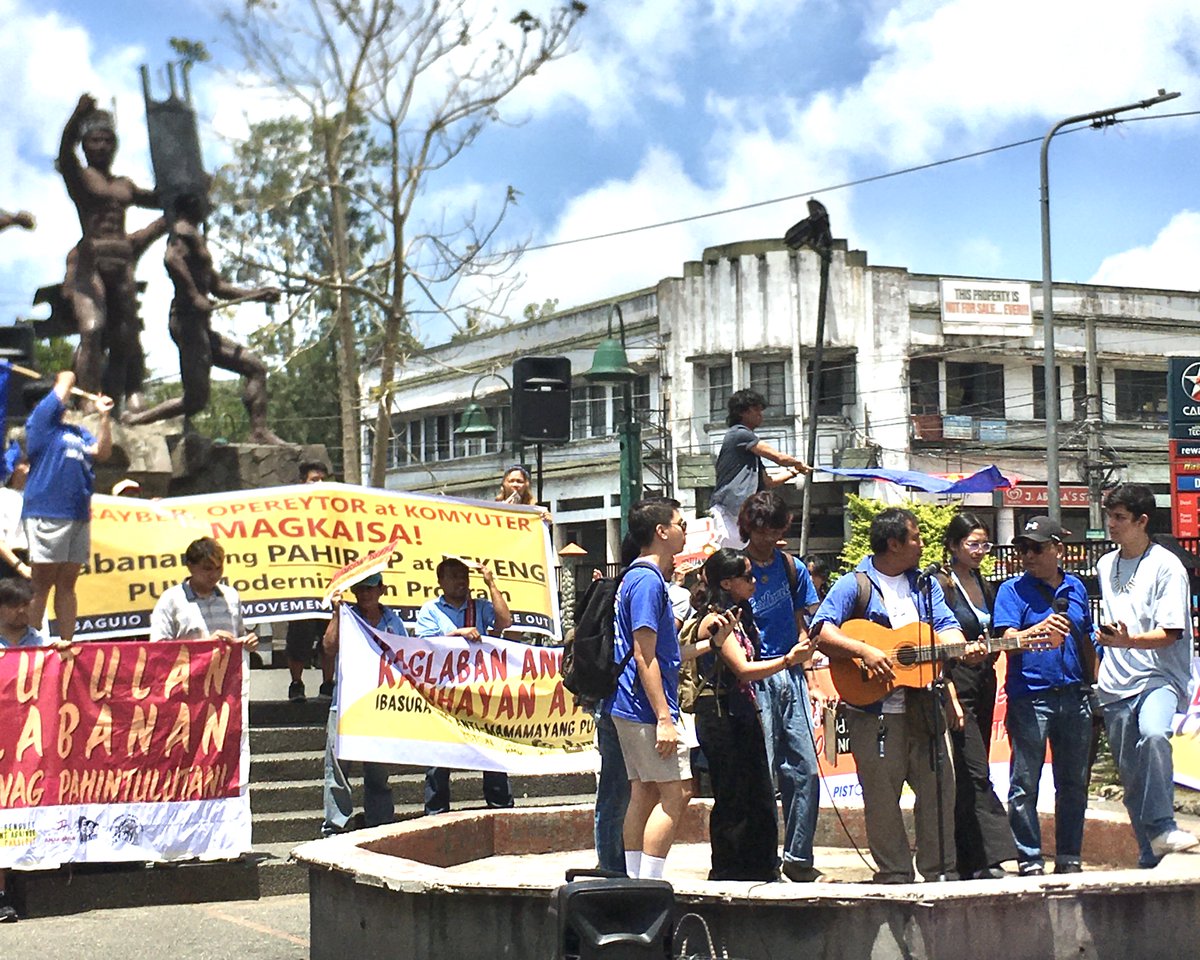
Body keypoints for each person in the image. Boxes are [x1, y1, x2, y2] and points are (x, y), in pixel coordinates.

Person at [811, 507, 966, 883]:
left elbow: (948, 628)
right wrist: (864, 651)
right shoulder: (855, 584)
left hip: (925, 703)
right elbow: (821, 631)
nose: (922, 544)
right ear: (894, 544)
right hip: (874, 710)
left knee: (939, 790)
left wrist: (958, 645)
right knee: (881, 796)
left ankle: (940, 870)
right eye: (915, 537)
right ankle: (895, 871)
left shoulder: (926, 585)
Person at [122, 192, 283, 444]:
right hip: (187, 323)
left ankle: (259, 431)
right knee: (195, 400)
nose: (211, 204)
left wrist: (257, 294)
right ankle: (136, 420)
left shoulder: (195, 236)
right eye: (206, 199)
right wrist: (195, 296)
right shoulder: (181, 231)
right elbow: (171, 260)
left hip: (201, 327)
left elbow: (217, 285)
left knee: (255, 368)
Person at [692, 548, 810, 881]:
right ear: (727, 582)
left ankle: (761, 865)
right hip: (721, 714)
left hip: (743, 711)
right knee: (733, 795)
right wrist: (788, 660)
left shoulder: (741, 614)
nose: (753, 580)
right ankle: (731, 869)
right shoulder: (716, 620)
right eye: (746, 576)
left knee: (758, 789)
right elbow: (742, 669)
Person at [1095, 484, 1198, 865]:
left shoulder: (1167, 566)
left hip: (1158, 678)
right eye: (1110, 516)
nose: (1112, 525)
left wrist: (1127, 641)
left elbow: (1171, 632)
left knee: (1154, 735)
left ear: (1142, 521)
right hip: (1114, 685)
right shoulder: (1106, 564)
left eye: (1120, 518)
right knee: (1132, 778)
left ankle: (1163, 825)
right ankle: (1148, 855)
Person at [993, 516, 1091, 876]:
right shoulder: (1011, 591)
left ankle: (1069, 857)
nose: (1028, 556)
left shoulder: (1077, 588)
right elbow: (1005, 641)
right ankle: (1030, 858)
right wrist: (1035, 631)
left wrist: (1092, 688)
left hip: (1074, 695)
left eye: (1036, 548)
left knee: (1074, 783)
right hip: (1031, 697)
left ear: (1058, 550)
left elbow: (1086, 638)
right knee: (1025, 783)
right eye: (1023, 549)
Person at [58, 95, 166, 408]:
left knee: (128, 332)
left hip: (122, 260)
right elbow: (64, 153)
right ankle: (90, 397)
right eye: (95, 140)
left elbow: (161, 198)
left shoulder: (125, 185)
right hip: (92, 259)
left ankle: (133, 392)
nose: (102, 146)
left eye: (107, 140)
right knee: (92, 330)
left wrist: (187, 187)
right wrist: (77, 117)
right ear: (85, 144)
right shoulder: (81, 178)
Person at [737, 491, 822, 882]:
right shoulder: (737, 568)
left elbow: (804, 616)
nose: (769, 538)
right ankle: (762, 856)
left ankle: (799, 858)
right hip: (755, 675)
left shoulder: (792, 568)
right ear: (749, 527)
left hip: (792, 674)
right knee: (762, 770)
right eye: (762, 530)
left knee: (805, 768)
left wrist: (808, 668)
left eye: (776, 529)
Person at [605, 497, 691, 880]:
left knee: (645, 791)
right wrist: (664, 718)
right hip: (644, 707)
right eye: (680, 524)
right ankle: (650, 883)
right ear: (661, 532)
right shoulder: (647, 581)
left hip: (630, 703)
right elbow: (645, 655)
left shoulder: (636, 578)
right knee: (677, 793)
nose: (683, 530)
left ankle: (636, 880)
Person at [937, 514, 1017, 879]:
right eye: (973, 544)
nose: (981, 551)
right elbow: (936, 642)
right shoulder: (941, 585)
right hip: (957, 684)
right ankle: (993, 853)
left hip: (984, 681)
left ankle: (970, 858)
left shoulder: (983, 584)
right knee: (973, 770)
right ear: (953, 546)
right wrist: (951, 692)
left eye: (985, 544)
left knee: (974, 769)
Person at [416, 556, 514, 813]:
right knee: (439, 756)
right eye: (455, 576)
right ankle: (435, 812)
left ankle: (500, 806)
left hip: (478, 691)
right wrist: (457, 634)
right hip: (443, 693)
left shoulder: (479, 607)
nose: (462, 582)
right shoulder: (430, 610)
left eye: (465, 576)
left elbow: (505, 622)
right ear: (441, 581)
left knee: (491, 750)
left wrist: (491, 584)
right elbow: (425, 645)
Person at [22, 371, 113, 641]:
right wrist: (66, 378)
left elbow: (102, 452)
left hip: (77, 514)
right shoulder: (40, 424)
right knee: (42, 583)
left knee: (67, 583)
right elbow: (68, 379)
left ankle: (66, 642)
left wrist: (104, 416)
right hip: (48, 511)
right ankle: (31, 643)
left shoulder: (77, 432)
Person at [321, 572, 406, 835]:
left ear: (381, 589)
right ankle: (335, 827)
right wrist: (336, 613)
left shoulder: (394, 621)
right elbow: (329, 647)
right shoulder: (346, 616)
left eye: (370, 588)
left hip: (378, 704)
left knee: (378, 773)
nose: (365, 594)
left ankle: (379, 826)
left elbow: (404, 656)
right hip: (345, 703)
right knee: (337, 771)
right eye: (360, 589)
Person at [0, 576, 64, 923]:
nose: (23, 611)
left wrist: (64, 657)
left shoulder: (40, 642)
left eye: (27, 604)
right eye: (15, 605)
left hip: (34, 747)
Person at [709, 389, 811, 547]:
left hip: (740, 514)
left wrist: (794, 472)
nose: (760, 415)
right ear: (743, 412)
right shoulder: (740, 434)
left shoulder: (751, 456)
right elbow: (777, 457)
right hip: (728, 511)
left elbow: (768, 482)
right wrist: (797, 463)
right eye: (756, 410)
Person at [149, 536, 257, 648]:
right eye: (207, 569)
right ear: (190, 567)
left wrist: (248, 642)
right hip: (190, 666)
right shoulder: (171, 599)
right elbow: (159, 647)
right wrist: (205, 645)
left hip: (230, 666)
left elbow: (239, 636)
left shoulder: (231, 596)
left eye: (218, 568)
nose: (214, 575)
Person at [287, 460, 335, 702]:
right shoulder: (290, 512)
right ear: (302, 483)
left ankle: (328, 685)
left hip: (329, 588)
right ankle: (296, 684)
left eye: (324, 479)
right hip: (302, 588)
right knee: (299, 641)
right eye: (314, 480)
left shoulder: (338, 511)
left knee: (330, 640)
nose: (320, 484)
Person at [0, 444, 30, 580]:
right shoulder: (3, 496)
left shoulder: (39, 496)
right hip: (10, 563)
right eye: (24, 462)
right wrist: (20, 566)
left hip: (35, 560)